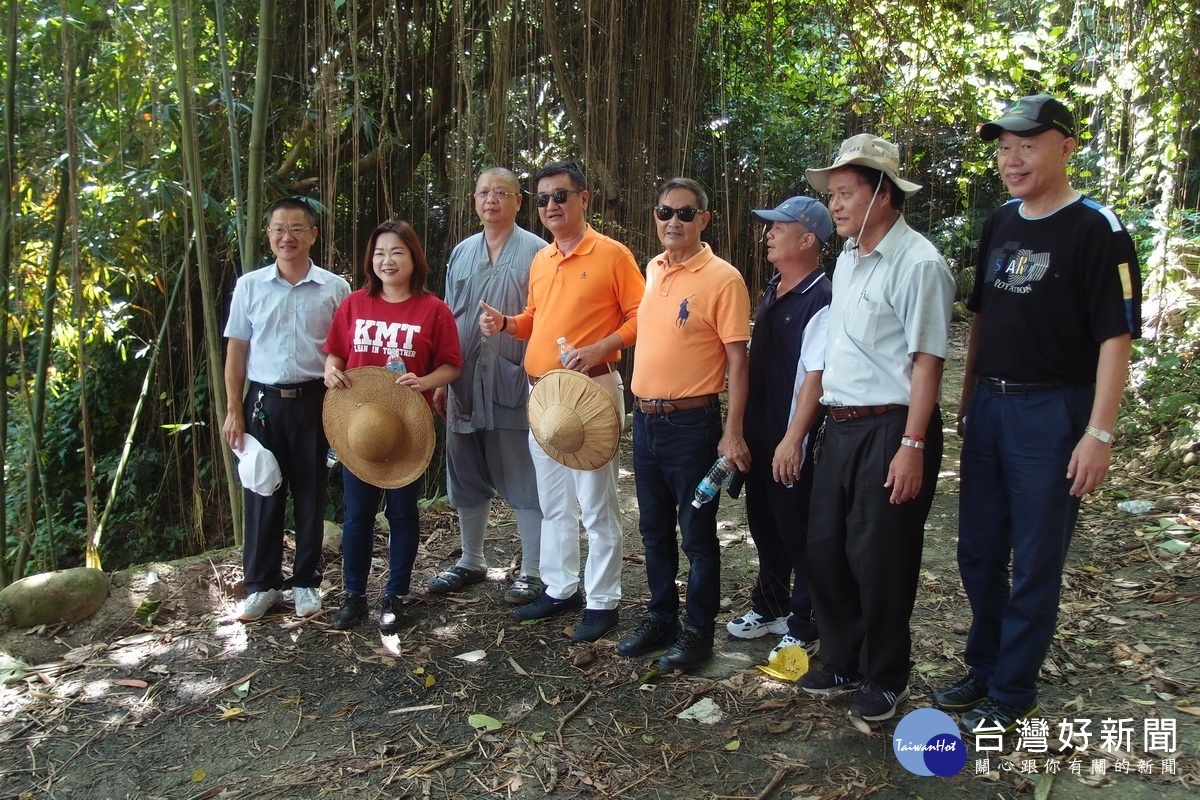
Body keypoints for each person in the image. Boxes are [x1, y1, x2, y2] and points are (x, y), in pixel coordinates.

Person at [935, 95, 1142, 734]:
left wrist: (1098, 433)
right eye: (1002, 146)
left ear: (1065, 146)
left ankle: (1014, 686)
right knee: (976, 548)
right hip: (990, 407)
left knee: (1035, 555)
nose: (1012, 158)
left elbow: (1116, 339)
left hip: (1054, 410)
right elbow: (983, 318)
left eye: (1027, 143)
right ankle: (985, 662)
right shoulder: (1000, 222)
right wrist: (966, 400)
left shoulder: (1098, 231)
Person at [799, 135, 955, 724]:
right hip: (840, 426)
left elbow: (927, 362)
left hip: (892, 427)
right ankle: (842, 657)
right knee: (827, 548)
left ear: (883, 193)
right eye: (832, 194)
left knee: (881, 556)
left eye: (846, 193)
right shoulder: (848, 258)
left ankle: (886, 674)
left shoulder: (919, 264)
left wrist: (912, 445)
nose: (834, 205)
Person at [478, 160, 645, 642]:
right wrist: (508, 324)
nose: (552, 205)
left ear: (584, 198)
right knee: (553, 501)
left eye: (561, 196)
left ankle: (603, 599)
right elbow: (536, 317)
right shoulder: (542, 258)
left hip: (590, 391)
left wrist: (603, 346)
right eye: (545, 198)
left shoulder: (612, 254)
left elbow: (641, 317)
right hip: (543, 397)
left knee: (596, 501)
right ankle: (559, 585)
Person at [617, 178, 750, 669]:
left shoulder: (723, 278)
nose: (673, 221)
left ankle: (698, 633)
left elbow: (738, 362)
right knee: (652, 529)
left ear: (704, 220)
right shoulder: (652, 268)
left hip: (692, 426)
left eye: (685, 214)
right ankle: (661, 616)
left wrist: (731, 433)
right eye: (664, 212)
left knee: (696, 533)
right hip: (647, 423)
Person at [323, 220, 462, 631]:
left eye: (397, 252)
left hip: (405, 428)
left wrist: (425, 382)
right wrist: (330, 373)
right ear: (371, 259)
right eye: (380, 252)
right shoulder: (354, 303)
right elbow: (334, 353)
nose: (387, 260)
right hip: (359, 427)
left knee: (402, 513)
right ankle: (354, 595)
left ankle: (396, 594)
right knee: (357, 515)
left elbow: (451, 365)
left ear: (413, 258)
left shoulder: (433, 309)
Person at [223, 197, 350, 622]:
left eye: (296, 228)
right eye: (278, 228)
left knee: (311, 494)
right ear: (269, 235)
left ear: (312, 235)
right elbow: (236, 351)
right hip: (262, 403)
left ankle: (306, 583)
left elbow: (344, 352)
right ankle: (261, 586)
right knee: (262, 491)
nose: (286, 236)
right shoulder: (250, 286)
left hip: (316, 400)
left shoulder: (335, 288)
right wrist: (232, 410)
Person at [429, 168, 548, 606]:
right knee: (465, 472)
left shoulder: (539, 252)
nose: (491, 200)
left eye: (502, 192)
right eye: (483, 192)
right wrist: (442, 374)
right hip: (461, 379)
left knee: (522, 473)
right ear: (473, 200)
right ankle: (471, 559)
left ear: (519, 201)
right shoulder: (461, 252)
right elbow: (445, 317)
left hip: (512, 376)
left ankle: (533, 569)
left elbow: (545, 318)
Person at [724, 196, 833, 663]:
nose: (767, 234)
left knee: (797, 529)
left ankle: (806, 621)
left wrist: (794, 438)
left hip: (792, 437)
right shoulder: (773, 287)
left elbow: (816, 375)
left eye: (778, 227)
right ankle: (769, 606)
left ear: (807, 239)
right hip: (760, 432)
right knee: (764, 524)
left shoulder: (823, 298)